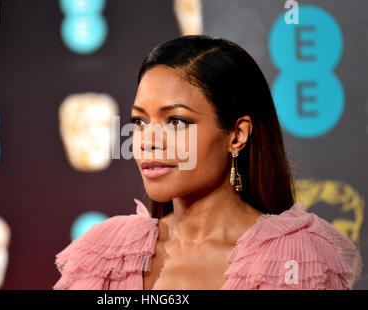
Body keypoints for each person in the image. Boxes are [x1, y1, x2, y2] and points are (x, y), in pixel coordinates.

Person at [53, 35, 363, 290]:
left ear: (237, 135)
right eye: (139, 121)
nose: (147, 141)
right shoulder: (105, 254)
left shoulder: (294, 260)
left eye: (175, 121)